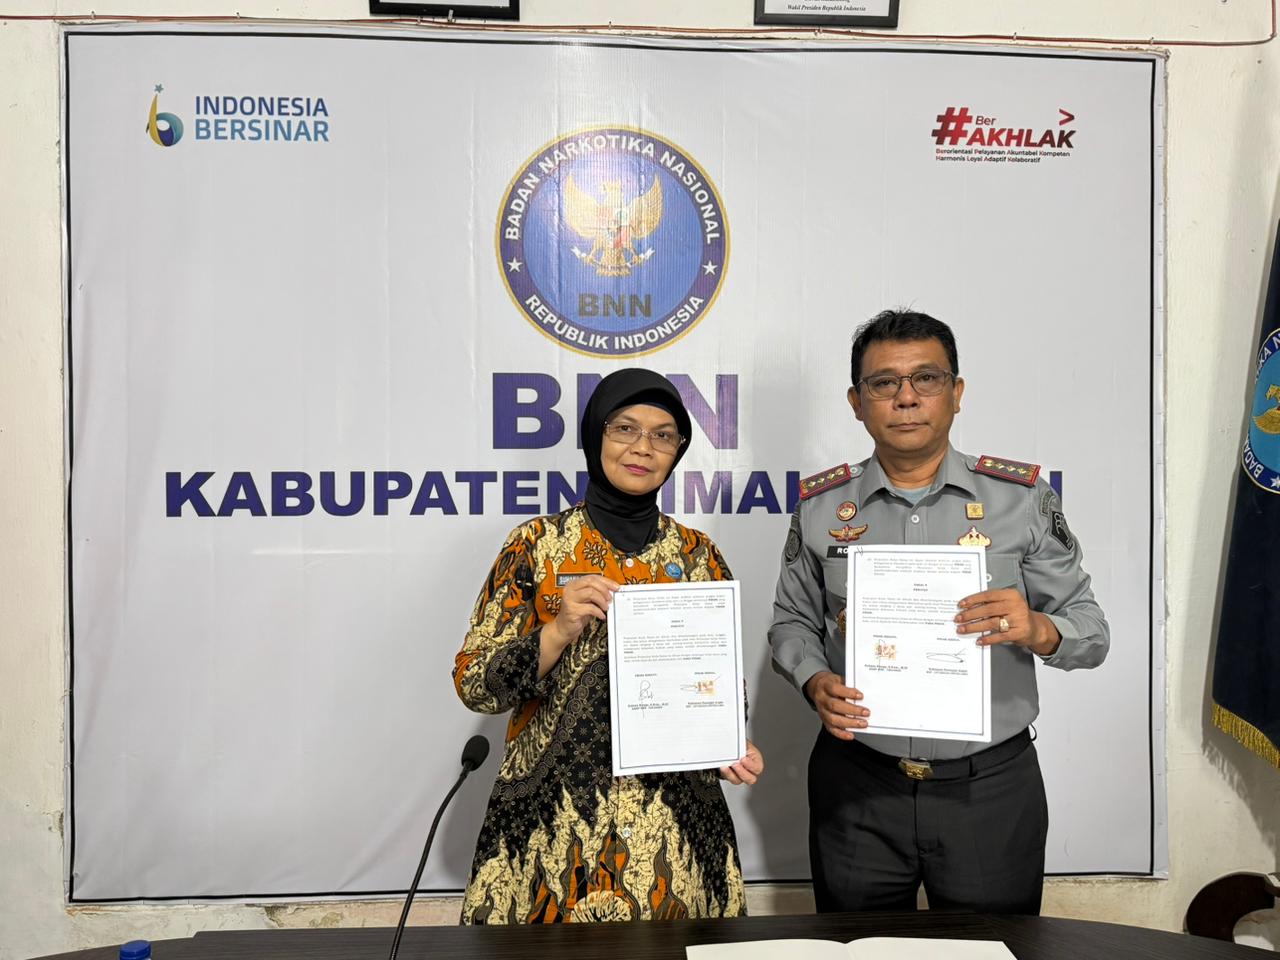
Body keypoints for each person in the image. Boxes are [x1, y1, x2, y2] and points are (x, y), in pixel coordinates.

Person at [768, 309, 1109, 916]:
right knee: (858, 952)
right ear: (856, 402)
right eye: (884, 383)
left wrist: (1038, 628)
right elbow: (792, 622)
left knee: (994, 951)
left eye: (926, 379)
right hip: (858, 784)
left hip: (989, 789)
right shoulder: (821, 508)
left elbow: (1091, 631)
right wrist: (813, 679)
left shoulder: (1019, 500)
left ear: (956, 393)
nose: (906, 398)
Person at [455, 368, 764, 924]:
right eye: (625, 428)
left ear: (678, 451)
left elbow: (721, 682)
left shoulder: (698, 555)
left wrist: (726, 743)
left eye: (663, 435)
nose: (643, 447)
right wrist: (555, 631)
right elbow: (476, 686)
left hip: (672, 835)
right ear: (595, 436)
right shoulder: (535, 546)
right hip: (550, 832)